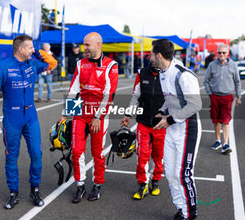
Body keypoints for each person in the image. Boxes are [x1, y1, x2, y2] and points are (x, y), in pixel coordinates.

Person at [0, 35, 57, 209]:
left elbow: (52, 63)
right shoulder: (2, 67)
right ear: (21, 49)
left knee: (37, 154)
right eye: (31, 47)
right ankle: (13, 193)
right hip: (12, 118)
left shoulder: (32, 63)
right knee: (11, 157)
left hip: (31, 117)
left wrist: (39, 52)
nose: (33, 50)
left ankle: (35, 189)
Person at [58, 32, 118, 203]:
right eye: (84, 45)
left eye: (87, 45)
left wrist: (98, 117)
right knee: (76, 151)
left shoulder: (111, 65)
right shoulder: (80, 63)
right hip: (81, 113)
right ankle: (80, 185)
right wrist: (65, 113)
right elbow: (73, 90)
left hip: (99, 114)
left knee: (97, 153)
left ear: (98, 45)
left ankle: (97, 185)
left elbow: (109, 95)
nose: (84, 48)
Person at [152, 39, 202, 220]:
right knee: (170, 173)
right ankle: (182, 209)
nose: (150, 57)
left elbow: (196, 104)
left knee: (183, 174)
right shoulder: (163, 72)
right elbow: (170, 98)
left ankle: (191, 213)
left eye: (151, 54)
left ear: (158, 55)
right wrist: (161, 111)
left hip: (187, 129)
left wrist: (171, 119)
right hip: (172, 128)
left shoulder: (183, 74)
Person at [120, 61, 166, 200]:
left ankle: (155, 180)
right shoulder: (142, 73)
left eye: (153, 54)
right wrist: (128, 115)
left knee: (158, 155)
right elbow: (135, 96)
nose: (150, 57)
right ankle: (143, 184)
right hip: (143, 123)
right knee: (142, 154)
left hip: (162, 124)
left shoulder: (169, 74)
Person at [204, 44, 241, 154]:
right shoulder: (211, 65)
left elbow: (237, 82)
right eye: (219, 52)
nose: (221, 54)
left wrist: (239, 96)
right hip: (215, 96)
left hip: (227, 97)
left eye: (224, 52)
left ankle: (225, 144)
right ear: (217, 53)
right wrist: (210, 93)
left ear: (227, 53)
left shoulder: (233, 65)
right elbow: (206, 81)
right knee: (216, 120)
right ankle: (218, 140)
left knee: (225, 120)